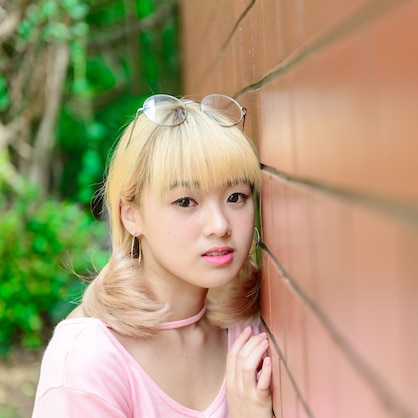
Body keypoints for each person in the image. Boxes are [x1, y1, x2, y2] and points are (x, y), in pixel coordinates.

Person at [32, 94, 273, 418]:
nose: (219, 225)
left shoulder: (248, 331)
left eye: (235, 196)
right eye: (186, 201)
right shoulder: (87, 362)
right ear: (131, 216)